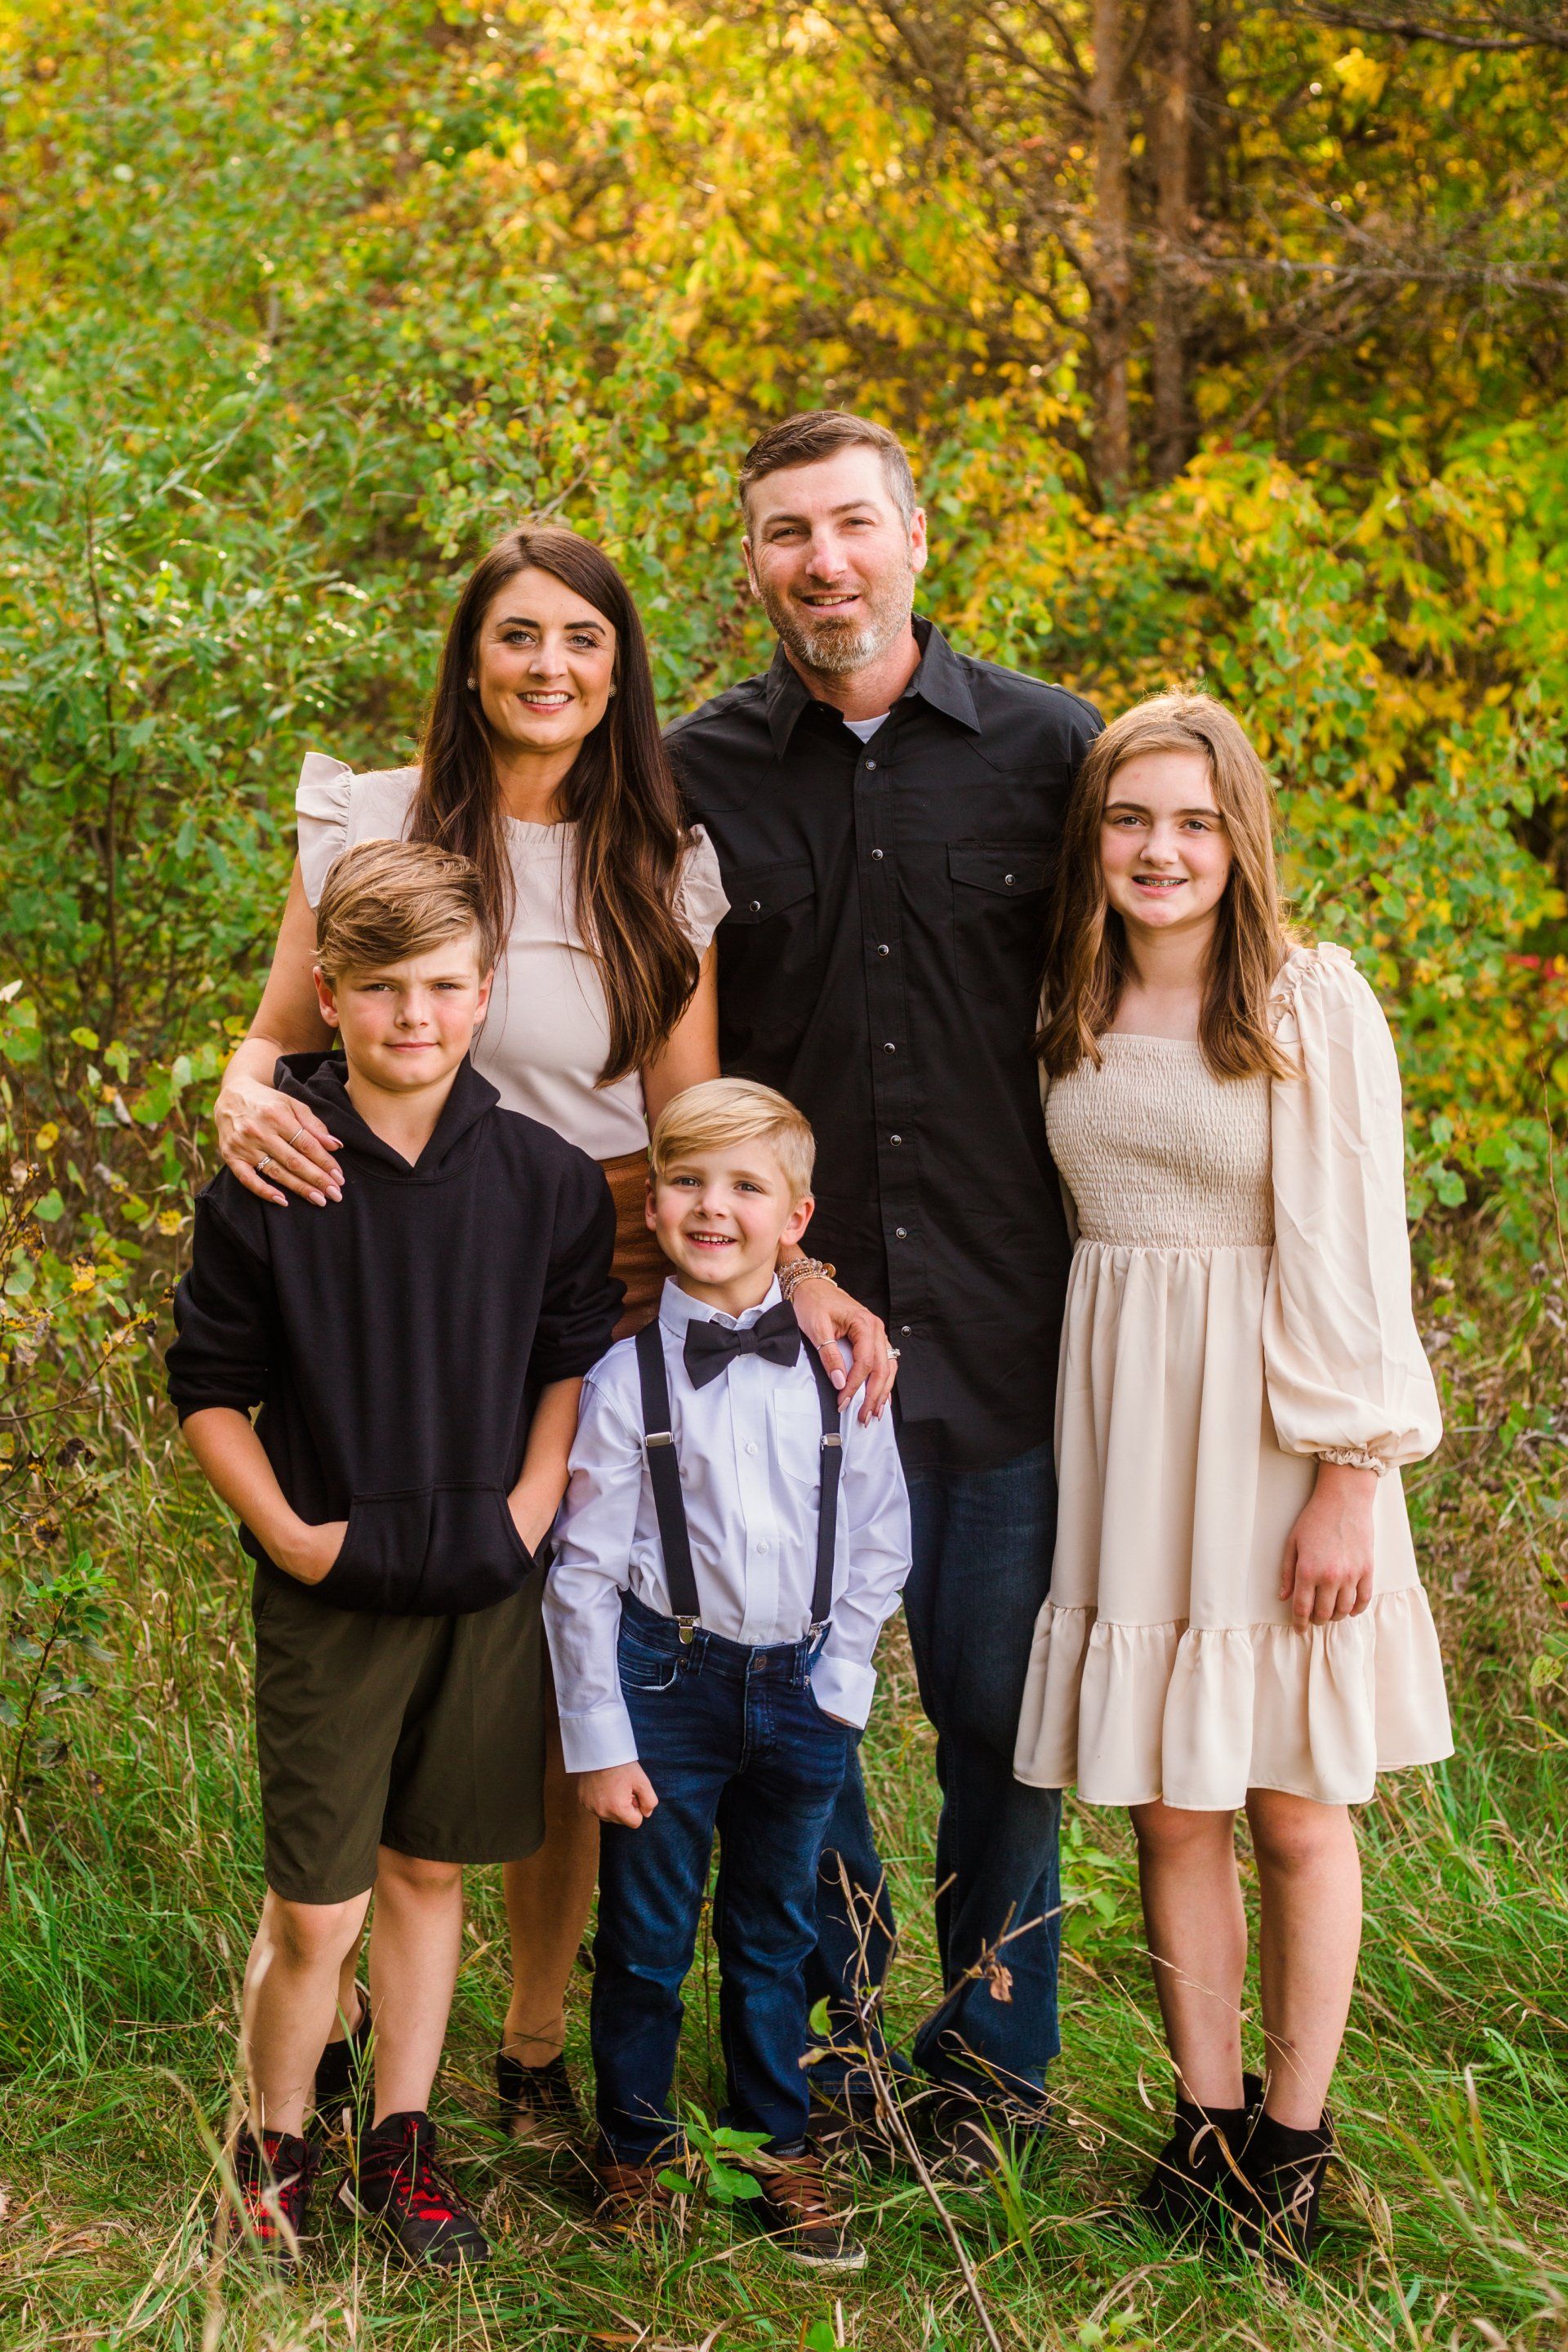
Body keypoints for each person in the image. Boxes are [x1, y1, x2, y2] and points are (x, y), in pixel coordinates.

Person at [211, 525, 894, 2148]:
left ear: (618, 668)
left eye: (582, 641)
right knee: (379, 1628)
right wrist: (241, 1086)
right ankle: (327, 2024)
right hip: (378, 1287)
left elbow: (691, 1113)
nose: (548, 667)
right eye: (517, 636)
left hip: (593, 1279)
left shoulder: (655, 858)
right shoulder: (371, 822)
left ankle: (528, 2047)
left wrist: (786, 1265)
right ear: (470, 656)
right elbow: (276, 1036)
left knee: (559, 1667)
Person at [664, 411, 1100, 2161]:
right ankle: (826, 2068)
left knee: (1001, 1722)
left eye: (853, 524)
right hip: (788, 1353)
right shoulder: (693, 774)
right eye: (787, 533)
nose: (823, 562)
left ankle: (990, 2075)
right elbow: (669, 1053)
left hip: (1005, 1335)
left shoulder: (1054, 753)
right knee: (800, 1730)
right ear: (754, 559)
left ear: (917, 536)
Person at [1013, 695, 1453, 2265]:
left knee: (1293, 1804)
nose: (1161, 849)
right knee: (1173, 1803)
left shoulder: (1305, 999)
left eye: (1194, 821)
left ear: (1241, 835)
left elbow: (1356, 1243)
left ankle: (1295, 2138)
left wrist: (1349, 1472)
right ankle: (1201, 2125)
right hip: (1130, 1425)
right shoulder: (1067, 988)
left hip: (1277, 1426)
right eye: (1133, 819)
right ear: (1097, 835)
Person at [167, 839, 623, 2268]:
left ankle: (402, 2143)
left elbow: (571, 1357)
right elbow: (205, 1383)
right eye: (378, 989)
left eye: (439, 986)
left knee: (432, 1876)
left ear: (485, 995)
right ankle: (276, 2139)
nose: (411, 1015)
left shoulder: (546, 1179)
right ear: (329, 993)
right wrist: (292, 1536)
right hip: (336, 1586)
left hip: (487, 1577)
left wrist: (533, 1506)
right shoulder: (277, 1169)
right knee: (321, 1905)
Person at [545, 1080, 911, 2267]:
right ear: (653, 1208)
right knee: (647, 1937)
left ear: (796, 1218)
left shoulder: (840, 1374)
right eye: (691, 1184)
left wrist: (843, 1675)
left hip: (803, 1689)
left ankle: (776, 2148)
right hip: (665, 1685)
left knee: (775, 1930)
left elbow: (879, 1535)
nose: (716, 1207)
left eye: (747, 1187)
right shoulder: (618, 1386)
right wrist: (597, 1740)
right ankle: (638, 2154)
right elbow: (583, 1576)